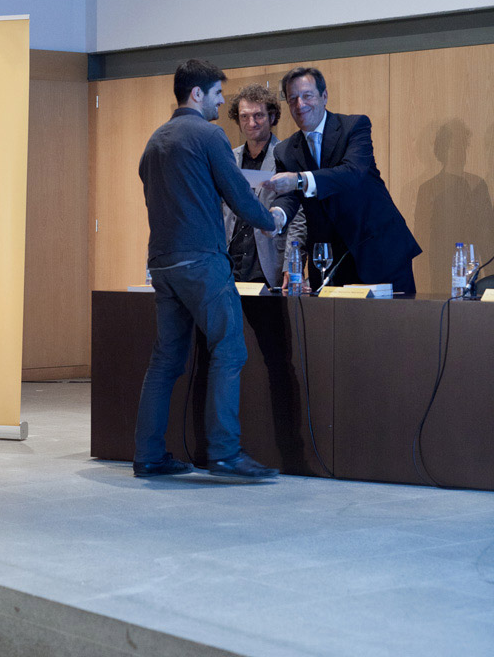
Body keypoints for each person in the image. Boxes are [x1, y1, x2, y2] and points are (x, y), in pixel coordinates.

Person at [134, 59, 280, 480]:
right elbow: (238, 194)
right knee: (230, 350)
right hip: (202, 262)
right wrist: (271, 221)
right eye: (217, 94)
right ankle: (225, 453)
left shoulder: (155, 141)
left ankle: (149, 456)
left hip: (162, 264)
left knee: (165, 360)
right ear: (196, 94)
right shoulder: (209, 135)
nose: (221, 103)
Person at [264, 67, 421, 292]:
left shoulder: (354, 127)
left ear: (324, 96)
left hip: (378, 251)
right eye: (292, 99)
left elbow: (351, 173)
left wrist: (299, 179)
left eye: (307, 96)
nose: (300, 105)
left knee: (392, 316)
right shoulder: (285, 150)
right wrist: (277, 216)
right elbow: (288, 196)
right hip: (327, 260)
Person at [223, 83, 306, 288]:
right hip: (229, 267)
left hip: (269, 267)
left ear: (271, 117)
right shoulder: (228, 159)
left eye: (258, 115)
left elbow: (298, 217)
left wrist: (292, 264)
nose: (251, 122)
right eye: (244, 116)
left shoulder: (288, 156)